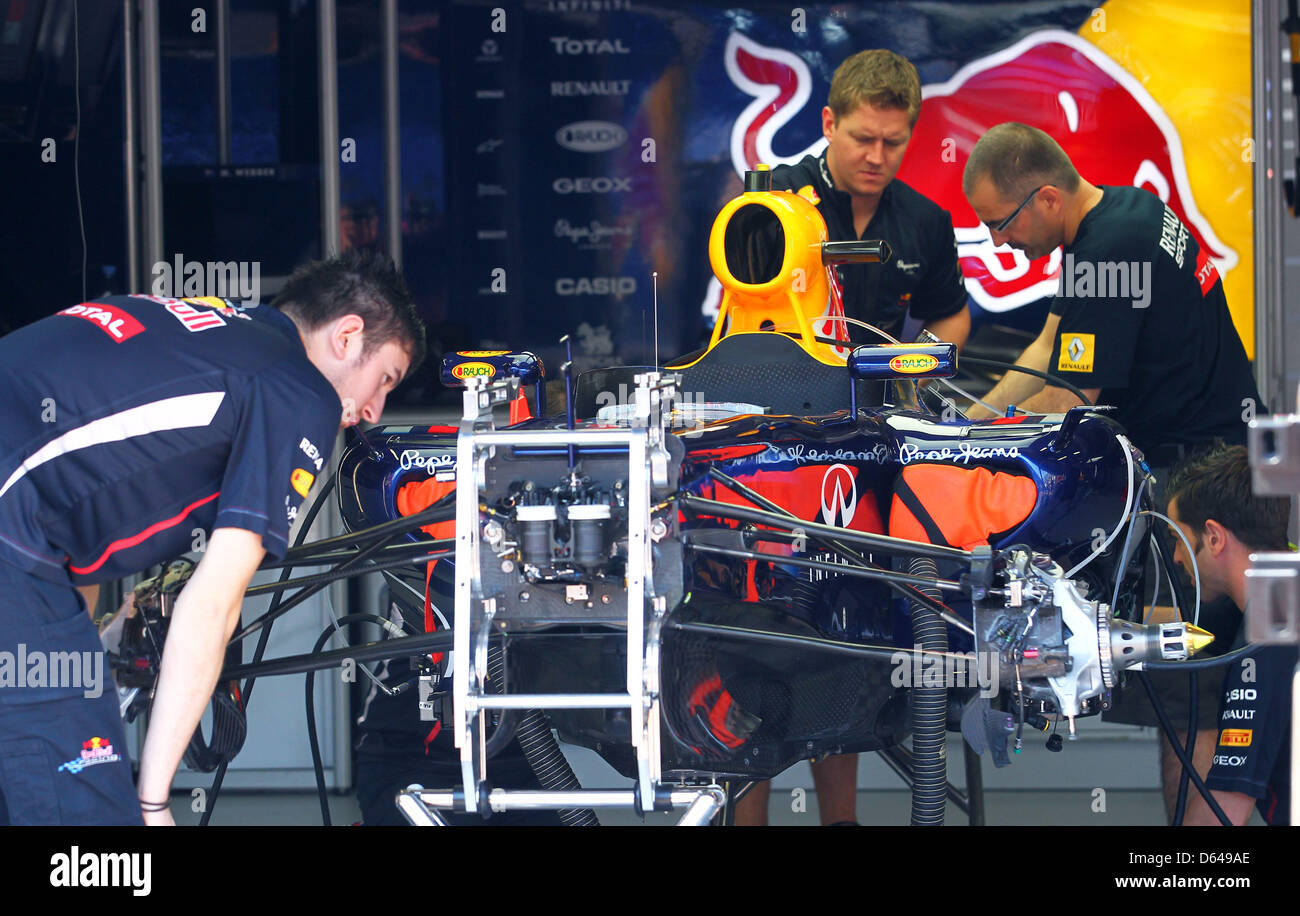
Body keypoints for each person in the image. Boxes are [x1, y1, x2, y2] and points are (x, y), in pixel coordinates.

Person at [0, 250, 424, 825]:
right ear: (348, 336)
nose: (373, 410)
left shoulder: (203, 327)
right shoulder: (298, 389)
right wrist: (152, 802)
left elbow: (66, 512)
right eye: (384, 380)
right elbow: (214, 602)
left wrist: (97, 635)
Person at [960, 122, 1266, 820]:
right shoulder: (1122, 213)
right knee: (1198, 696)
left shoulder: (1110, 249)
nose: (999, 243)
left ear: (1043, 197)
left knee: (1189, 700)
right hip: (1226, 467)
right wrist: (972, 420)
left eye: (998, 223)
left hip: (1206, 489)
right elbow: (1049, 344)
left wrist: (984, 449)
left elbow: (1069, 400)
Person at [735, 48, 970, 827]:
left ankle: (844, 823)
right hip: (771, 457)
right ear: (829, 123)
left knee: (849, 640)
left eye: (894, 142)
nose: (876, 157)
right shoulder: (771, 198)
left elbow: (954, 318)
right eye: (863, 138)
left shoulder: (924, 222)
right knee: (757, 643)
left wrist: (914, 370)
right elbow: (743, 313)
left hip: (869, 458)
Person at [1161, 444, 1293, 826]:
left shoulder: (1266, 643)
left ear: (1214, 537)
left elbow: (1224, 812)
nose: (1176, 557)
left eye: (1179, 538)